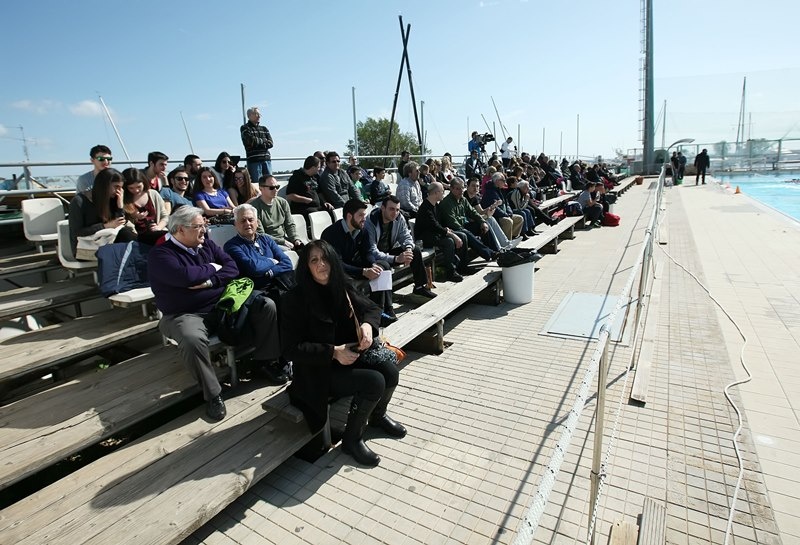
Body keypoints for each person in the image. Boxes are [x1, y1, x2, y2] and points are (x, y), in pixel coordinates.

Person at [149, 206, 286, 421]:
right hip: (185, 313)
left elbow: (231, 268)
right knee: (191, 338)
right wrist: (214, 267)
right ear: (180, 230)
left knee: (266, 305)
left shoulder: (207, 245)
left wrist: (211, 280)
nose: (205, 230)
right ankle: (213, 395)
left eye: (204, 225)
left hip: (221, 304)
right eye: (199, 227)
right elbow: (185, 276)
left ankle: (265, 363)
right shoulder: (161, 254)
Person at [281, 240, 405, 466]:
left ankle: (377, 417)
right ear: (306, 266)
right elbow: (290, 349)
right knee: (374, 382)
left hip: (348, 357)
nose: (321, 265)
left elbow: (371, 309)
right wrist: (333, 352)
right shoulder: (294, 299)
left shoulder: (341, 285)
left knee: (390, 371)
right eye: (314, 260)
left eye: (325, 258)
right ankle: (352, 439)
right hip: (318, 371)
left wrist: (368, 326)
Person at [321, 199, 396, 325]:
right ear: (349, 216)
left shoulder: (363, 229)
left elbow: (367, 253)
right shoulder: (331, 234)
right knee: (347, 281)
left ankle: (383, 309)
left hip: (352, 265)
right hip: (335, 270)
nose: (364, 219)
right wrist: (363, 271)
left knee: (383, 266)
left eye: (365, 216)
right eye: (360, 215)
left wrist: (373, 264)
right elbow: (336, 264)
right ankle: (365, 314)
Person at [363, 195, 436, 299]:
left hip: (388, 251)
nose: (395, 213)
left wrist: (408, 250)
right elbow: (372, 251)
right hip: (373, 258)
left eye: (397, 209)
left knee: (415, 250)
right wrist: (397, 258)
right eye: (391, 209)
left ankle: (420, 287)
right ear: (383, 208)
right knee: (383, 265)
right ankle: (383, 304)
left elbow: (405, 235)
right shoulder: (370, 222)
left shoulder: (399, 217)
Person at [224, 204, 294, 291]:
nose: (247, 223)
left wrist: (270, 272)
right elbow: (254, 268)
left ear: (257, 223)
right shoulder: (231, 246)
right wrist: (272, 261)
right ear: (235, 224)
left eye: (250, 220)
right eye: (243, 221)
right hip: (257, 289)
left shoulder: (266, 239)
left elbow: (287, 263)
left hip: (280, 282)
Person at [68, 168, 136, 256]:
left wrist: (120, 206)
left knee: (129, 236)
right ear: (104, 185)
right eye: (116, 187)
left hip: (109, 241)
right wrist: (105, 226)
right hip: (85, 247)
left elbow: (119, 224)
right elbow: (77, 232)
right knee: (126, 237)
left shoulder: (112, 199)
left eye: (121, 188)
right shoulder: (79, 201)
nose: (118, 191)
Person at [415, 181, 469, 282]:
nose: (444, 193)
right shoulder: (425, 208)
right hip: (426, 238)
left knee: (463, 236)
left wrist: (448, 230)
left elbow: (441, 224)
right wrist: (451, 235)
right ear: (436, 193)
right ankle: (451, 272)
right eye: (442, 191)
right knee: (449, 241)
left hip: (436, 234)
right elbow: (434, 226)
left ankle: (462, 266)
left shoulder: (436, 205)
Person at [439, 177, 499, 257]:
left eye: (462, 188)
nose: (461, 191)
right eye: (457, 189)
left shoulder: (463, 200)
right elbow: (452, 222)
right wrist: (464, 229)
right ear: (451, 189)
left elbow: (473, 213)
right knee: (466, 233)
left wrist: (482, 222)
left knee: (483, 225)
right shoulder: (446, 203)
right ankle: (490, 254)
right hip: (452, 230)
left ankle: (496, 251)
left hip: (463, 225)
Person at [252, 175, 303, 251]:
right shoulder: (254, 208)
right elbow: (260, 234)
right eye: (271, 188)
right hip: (267, 243)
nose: (275, 190)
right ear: (261, 189)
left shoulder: (282, 202)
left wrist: (295, 239)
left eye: (277, 187)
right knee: (287, 252)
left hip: (283, 239)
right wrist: (282, 242)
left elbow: (289, 224)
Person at [121, 167, 169, 245]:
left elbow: (165, 216)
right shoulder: (123, 199)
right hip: (135, 236)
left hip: (155, 232)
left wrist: (158, 227)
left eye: (139, 187)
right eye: (131, 188)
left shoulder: (153, 194)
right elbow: (122, 222)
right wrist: (134, 218)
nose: (136, 190)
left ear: (144, 183)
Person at [482, 172, 525, 240]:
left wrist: (509, 213)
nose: (505, 182)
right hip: (496, 216)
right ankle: (507, 242)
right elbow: (495, 209)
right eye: (503, 180)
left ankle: (513, 237)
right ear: (497, 181)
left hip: (504, 214)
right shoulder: (490, 192)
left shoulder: (500, 190)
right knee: (508, 221)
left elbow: (506, 203)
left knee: (519, 218)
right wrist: (506, 214)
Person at [240, 106, 274, 182]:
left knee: (269, 182)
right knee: (257, 184)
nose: (259, 116)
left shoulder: (264, 128)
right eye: (256, 114)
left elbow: (271, 143)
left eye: (259, 114)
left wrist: (258, 142)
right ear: (249, 116)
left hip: (266, 160)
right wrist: (264, 141)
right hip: (254, 161)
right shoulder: (245, 128)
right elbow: (250, 141)